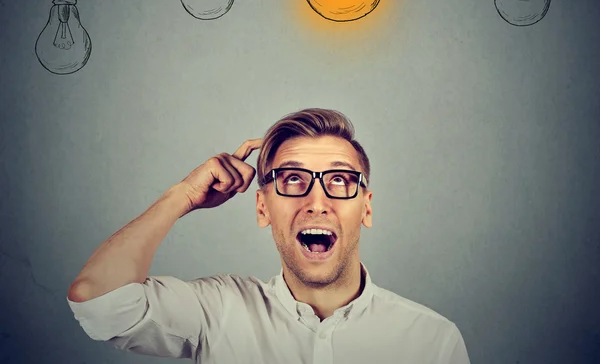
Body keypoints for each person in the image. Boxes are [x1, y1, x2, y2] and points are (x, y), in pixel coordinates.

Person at [67, 108, 470, 363]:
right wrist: (183, 195)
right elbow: (99, 300)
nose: (317, 201)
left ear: (366, 206)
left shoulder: (432, 342)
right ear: (262, 207)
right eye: (293, 179)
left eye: (339, 179)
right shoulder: (218, 313)